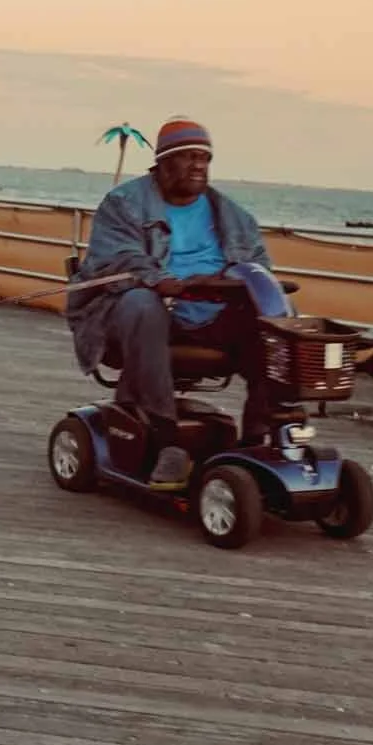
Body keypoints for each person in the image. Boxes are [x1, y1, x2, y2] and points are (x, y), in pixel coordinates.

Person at [66, 115, 276, 487]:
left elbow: (257, 265)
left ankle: (257, 441)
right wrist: (160, 279)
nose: (198, 165)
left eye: (205, 158)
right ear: (163, 162)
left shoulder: (236, 217)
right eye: (188, 156)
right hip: (139, 314)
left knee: (273, 327)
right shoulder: (123, 204)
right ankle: (167, 440)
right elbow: (118, 257)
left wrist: (230, 284)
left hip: (212, 313)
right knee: (141, 303)